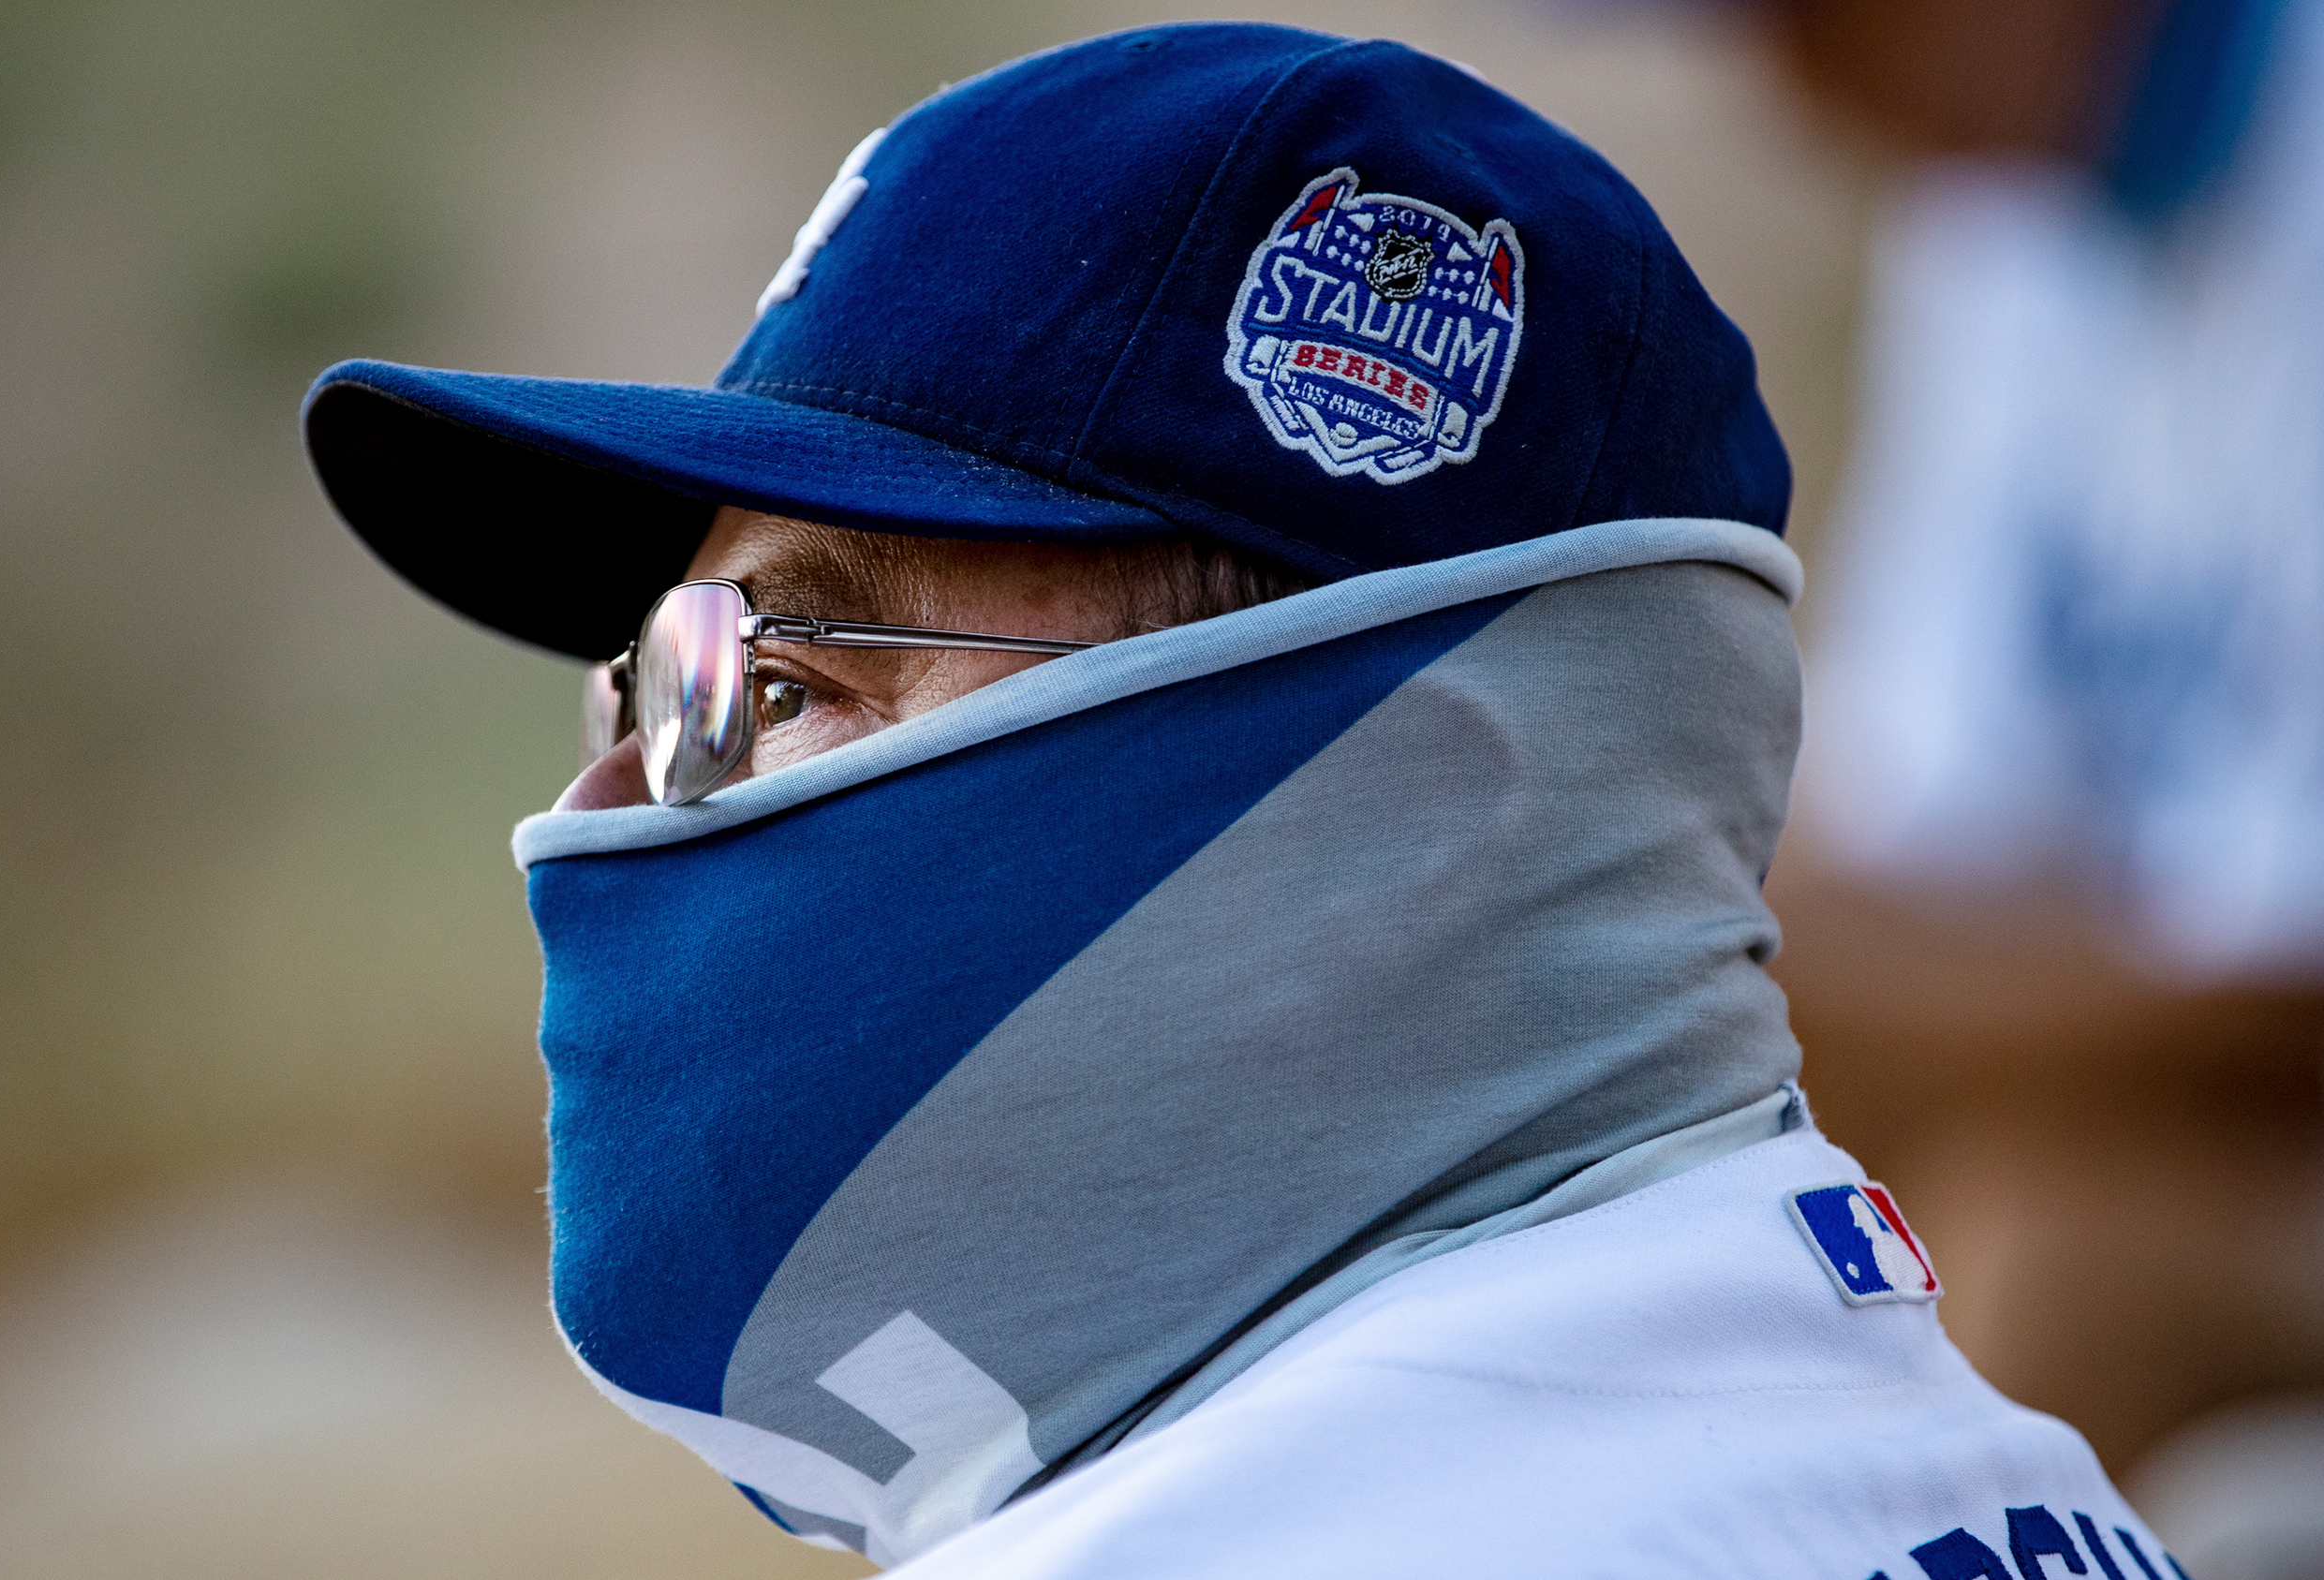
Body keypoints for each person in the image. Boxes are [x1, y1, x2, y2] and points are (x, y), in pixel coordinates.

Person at [303, 24, 2168, 1576]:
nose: (612, 801)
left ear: (1410, 812)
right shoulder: (1953, 1474)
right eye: (656, 679)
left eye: (779, 685)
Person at [1758, 0, 2324, 1503]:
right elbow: (1914, 823)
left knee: (2059, 1274)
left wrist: (1744, 985)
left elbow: (2287, 1011)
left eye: (1823, 21)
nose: (1797, 88)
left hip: (2265, 1122)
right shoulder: (1994, 209)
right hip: (2150, 1054)